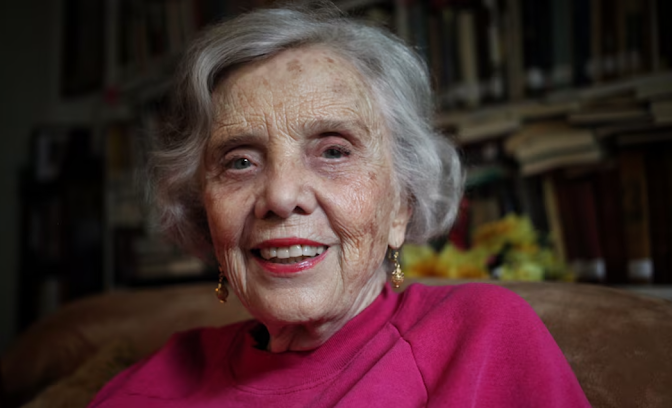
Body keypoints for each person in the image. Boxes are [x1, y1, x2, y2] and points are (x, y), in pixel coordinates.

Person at [89, 4, 590, 407]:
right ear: (203, 207)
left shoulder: (480, 341)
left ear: (401, 204)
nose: (281, 196)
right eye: (240, 162)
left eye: (333, 151)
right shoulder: (149, 385)